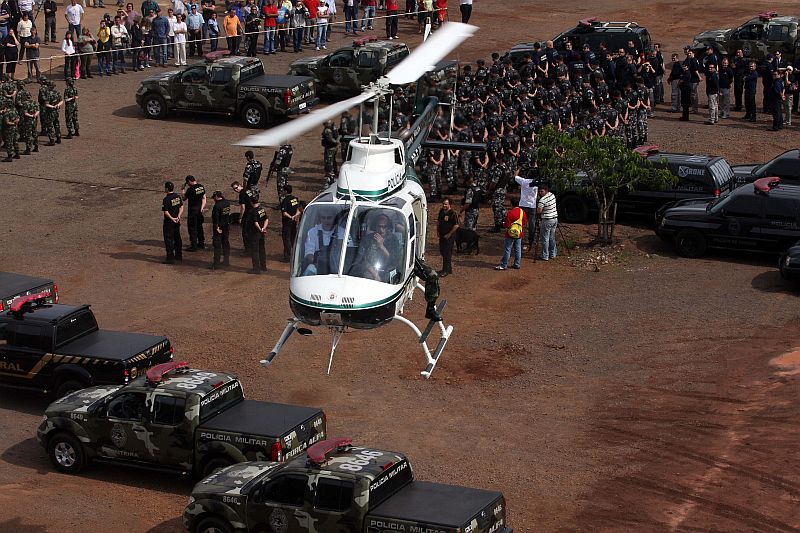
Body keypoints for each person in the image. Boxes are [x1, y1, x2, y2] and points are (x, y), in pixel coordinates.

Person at [495, 198, 526, 271]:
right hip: (519, 233)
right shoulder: (522, 212)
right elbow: (524, 222)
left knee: (507, 249)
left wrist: (503, 224)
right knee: (518, 249)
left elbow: (507, 225)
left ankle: (503, 265)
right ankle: (517, 264)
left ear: (511, 204)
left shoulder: (510, 213)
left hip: (510, 234)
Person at [514, 170, 538, 252]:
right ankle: (531, 240)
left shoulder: (523, 181)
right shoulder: (537, 183)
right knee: (532, 224)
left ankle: (520, 239)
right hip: (532, 206)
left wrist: (519, 168)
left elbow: (515, 176)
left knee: (521, 224)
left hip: (523, 205)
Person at [162, 181, 184, 264]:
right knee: (177, 238)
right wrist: (178, 216)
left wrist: (172, 218)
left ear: (167, 189)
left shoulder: (166, 199)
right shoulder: (177, 196)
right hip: (177, 221)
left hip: (169, 223)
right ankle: (179, 255)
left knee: (169, 240)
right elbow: (181, 206)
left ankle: (170, 258)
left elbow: (166, 212)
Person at [183, 175, 206, 251]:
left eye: (187, 183)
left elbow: (184, 198)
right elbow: (204, 198)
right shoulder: (201, 187)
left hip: (192, 212)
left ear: (189, 181)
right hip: (199, 211)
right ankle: (201, 243)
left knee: (192, 229)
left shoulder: (190, 190)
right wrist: (201, 208)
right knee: (199, 227)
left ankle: (194, 245)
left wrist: (182, 190)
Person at [245, 197, 268, 273]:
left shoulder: (252, 211)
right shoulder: (262, 209)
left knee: (255, 251)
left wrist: (260, 229)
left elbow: (255, 223)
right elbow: (266, 219)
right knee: (262, 249)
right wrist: (263, 228)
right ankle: (263, 266)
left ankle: (256, 269)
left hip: (255, 233)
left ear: (251, 203)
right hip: (261, 233)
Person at [437, 198, 458, 277]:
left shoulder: (453, 213)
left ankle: (446, 270)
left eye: (446, 204)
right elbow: (438, 222)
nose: (444, 205)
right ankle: (448, 268)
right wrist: (437, 231)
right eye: (443, 204)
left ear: (449, 205)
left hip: (449, 236)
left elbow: (456, 225)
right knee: (442, 251)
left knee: (447, 253)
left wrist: (449, 234)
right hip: (442, 235)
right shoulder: (441, 211)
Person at [537, 183, 558, 261]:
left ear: (546, 190)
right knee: (551, 237)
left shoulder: (542, 200)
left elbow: (539, 211)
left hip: (547, 220)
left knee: (545, 238)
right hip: (555, 218)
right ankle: (553, 254)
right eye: (539, 191)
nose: (540, 193)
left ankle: (545, 255)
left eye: (541, 191)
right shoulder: (552, 195)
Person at [232, 180, 255, 251]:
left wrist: (240, 217)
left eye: (236, 188)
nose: (236, 190)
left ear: (239, 185)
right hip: (253, 212)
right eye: (234, 189)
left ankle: (247, 249)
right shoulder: (248, 191)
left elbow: (243, 207)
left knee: (245, 232)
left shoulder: (242, 194)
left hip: (247, 214)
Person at [210, 190, 231, 269]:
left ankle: (216, 264)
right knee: (225, 243)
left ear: (216, 197)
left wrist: (216, 228)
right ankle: (226, 261)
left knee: (217, 245)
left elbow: (216, 218)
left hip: (219, 227)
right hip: (226, 226)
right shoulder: (227, 202)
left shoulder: (217, 206)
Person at [280, 184, 300, 261]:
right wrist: (295, 215)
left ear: (285, 191)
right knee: (293, 238)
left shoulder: (285, 201)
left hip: (287, 223)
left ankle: (287, 256)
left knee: (286, 239)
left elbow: (284, 213)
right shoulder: (295, 199)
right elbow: (298, 208)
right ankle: (295, 254)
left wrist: (291, 217)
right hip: (294, 222)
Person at [19, 89, 37, 154]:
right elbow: (37, 111)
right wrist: (34, 115)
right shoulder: (34, 102)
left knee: (28, 135)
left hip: (27, 121)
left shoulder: (25, 104)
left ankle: (28, 149)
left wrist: (30, 116)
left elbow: (25, 113)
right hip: (34, 120)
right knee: (34, 133)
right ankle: (36, 146)